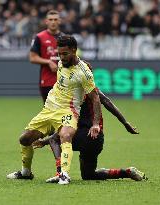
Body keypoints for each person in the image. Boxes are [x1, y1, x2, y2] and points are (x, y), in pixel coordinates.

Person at [7, 35, 102, 185]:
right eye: (59, 54)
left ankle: (64, 174)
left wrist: (95, 123)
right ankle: (26, 172)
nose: (61, 57)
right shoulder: (61, 63)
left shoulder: (84, 72)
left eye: (65, 54)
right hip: (49, 109)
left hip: (68, 111)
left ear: (74, 50)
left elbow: (95, 98)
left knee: (65, 135)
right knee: (25, 139)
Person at [32, 86, 147, 183]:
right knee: (89, 175)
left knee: (54, 140)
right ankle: (126, 172)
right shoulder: (93, 91)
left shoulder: (72, 94)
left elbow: (65, 132)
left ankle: (60, 174)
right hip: (97, 139)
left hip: (83, 135)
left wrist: (44, 141)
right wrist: (125, 123)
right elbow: (107, 102)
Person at [29, 10, 63, 103]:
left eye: (55, 19)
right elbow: (32, 57)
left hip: (63, 81)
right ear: (46, 21)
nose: (53, 22)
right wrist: (48, 62)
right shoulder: (39, 37)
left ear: (59, 21)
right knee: (50, 112)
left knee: (64, 111)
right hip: (47, 81)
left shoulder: (65, 38)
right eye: (50, 19)